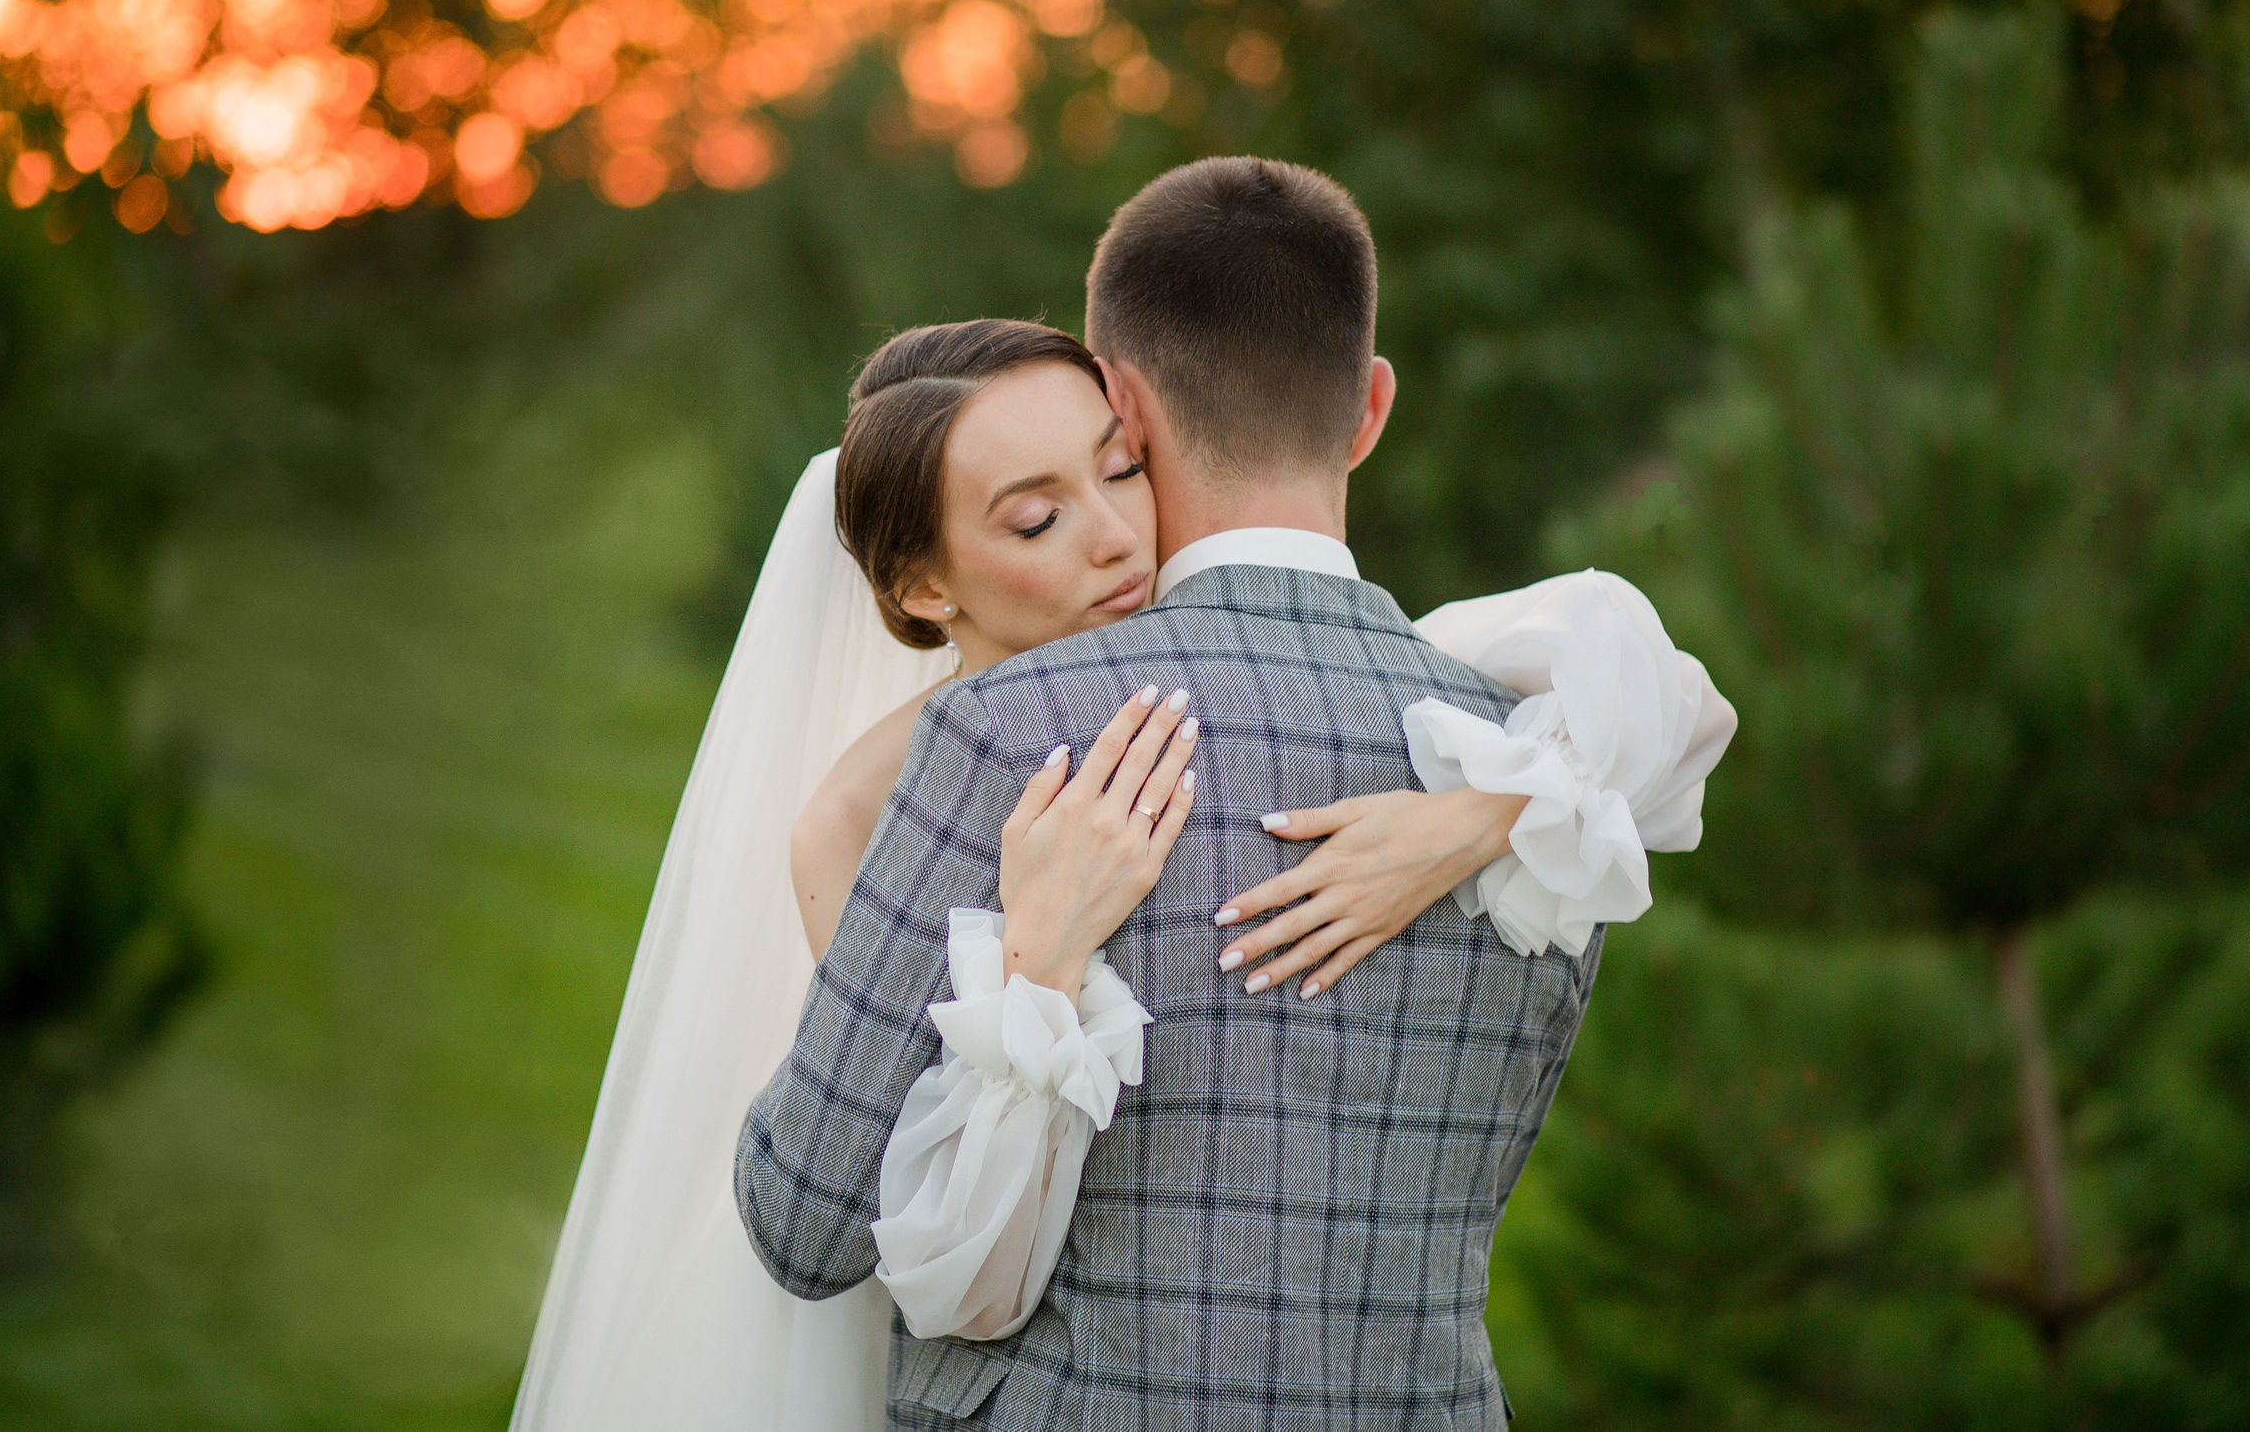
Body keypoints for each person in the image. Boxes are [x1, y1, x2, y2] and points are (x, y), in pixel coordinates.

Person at [515, 159, 1732, 1430]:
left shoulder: (1006, 738)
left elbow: (807, 1224)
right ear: (1369, 408)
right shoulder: (1546, 754)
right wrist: (1485, 810)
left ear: (1130, 414)